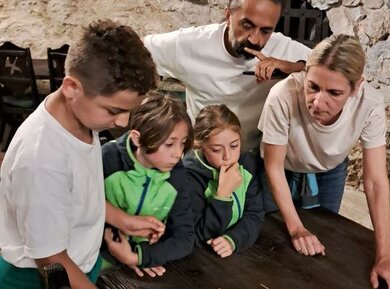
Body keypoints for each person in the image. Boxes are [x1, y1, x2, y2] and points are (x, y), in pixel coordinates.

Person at [258, 34, 390, 289]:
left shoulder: (369, 103)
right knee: (271, 238)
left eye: (334, 93)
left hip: (330, 169)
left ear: (356, 87)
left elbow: (376, 183)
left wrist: (385, 256)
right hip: (281, 167)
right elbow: (273, 166)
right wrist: (296, 228)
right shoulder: (282, 95)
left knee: (324, 242)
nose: (317, 101)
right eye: (312, 86)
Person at [0, 19, 157, 289]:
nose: (123, 122)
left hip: (79, 261)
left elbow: (77, 196)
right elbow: (50, 258)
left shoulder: (82, 118)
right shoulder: (42, 160)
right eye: (114, 111)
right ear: (72, 87)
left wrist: (124, 220)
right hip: (38, 278)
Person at [143, 0, 310, 151]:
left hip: (255, 155)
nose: (254, 39)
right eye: (247, 25)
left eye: (266, 31)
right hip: (201, 154)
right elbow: (135, 52)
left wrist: (296, 67)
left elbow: (331, 68)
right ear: (228, 15)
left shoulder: (283, 48)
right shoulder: (191, 43)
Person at [102, 94, 195, 277]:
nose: (178, 154)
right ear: (137, 139)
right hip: (94, 256)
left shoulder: (177, 176)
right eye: (169, 144)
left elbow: (185, 238)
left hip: (140, 262)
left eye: (182, 144)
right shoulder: (106, 159)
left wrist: (138, 257)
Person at [183, 104, 264, 258]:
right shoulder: (190, 177)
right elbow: (199, 234)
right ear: (200, 145)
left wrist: (233, 239)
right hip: (199, 258)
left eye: (234, 146)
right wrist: (222, 195)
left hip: (234, 251)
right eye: (216, 149)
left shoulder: (247, 164)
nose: (228, 156)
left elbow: (255, 214)